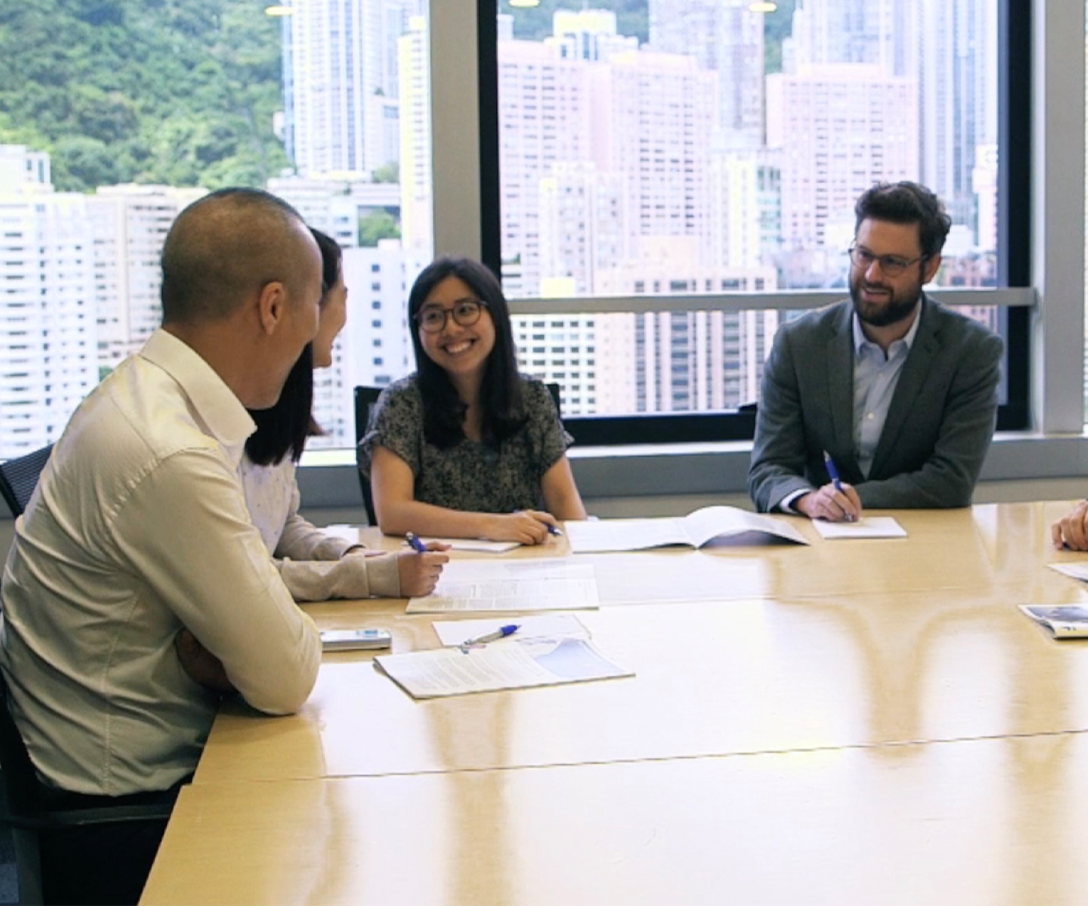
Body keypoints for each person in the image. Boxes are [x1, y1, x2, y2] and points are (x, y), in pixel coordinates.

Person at [0, 188, 326, 905]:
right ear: (272, 308)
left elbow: (258, 609)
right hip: (130, 811)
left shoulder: (142, 398)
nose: (311, 346)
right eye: (310, 320)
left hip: (135, 767)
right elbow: (286, 672)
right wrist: (247, 644)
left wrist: (226, 646)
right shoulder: (167, 449)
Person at [747, 181, 1003, 522]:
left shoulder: (971, 352)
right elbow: (769, 468)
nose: (871, 275)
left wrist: (848, 499)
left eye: (892, 263)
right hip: (818, 546)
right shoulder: (798, 345)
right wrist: (810, 501)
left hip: (924, 547)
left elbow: (951, 480)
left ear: (929, 268)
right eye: (864, 255)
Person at [241, 230, 447, 600]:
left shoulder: (277, 410)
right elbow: (241, 580)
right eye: (342, 292)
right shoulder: (215, 428)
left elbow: (282, 527)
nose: (346, 306)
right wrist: (368, 577)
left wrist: (355, 557)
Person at [360, 256, 587, 544]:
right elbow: (392, 513)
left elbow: (567, 510)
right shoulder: (401, 403)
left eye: (465, 310)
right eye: (433, 317)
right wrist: (491, 526)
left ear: (495, 315)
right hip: (432, 572)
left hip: (526, 572)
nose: (451, 329)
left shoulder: (532, 398)